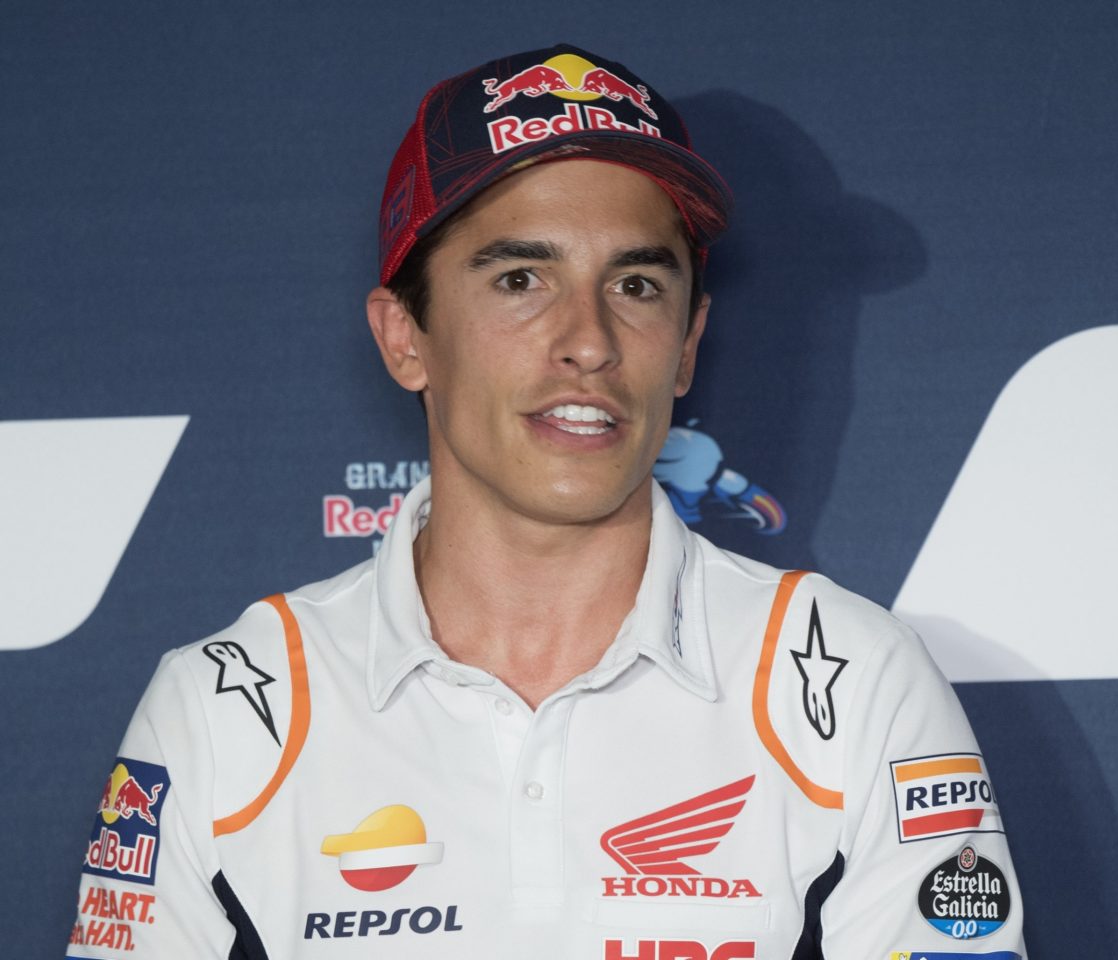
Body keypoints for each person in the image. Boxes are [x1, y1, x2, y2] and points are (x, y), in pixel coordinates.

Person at [67, 44, 1026, 959]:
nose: (590, 342)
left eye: (636, 284)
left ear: (687, 344)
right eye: (521, 279)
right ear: (405, 338)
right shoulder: (225, 711)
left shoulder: (858, 686)